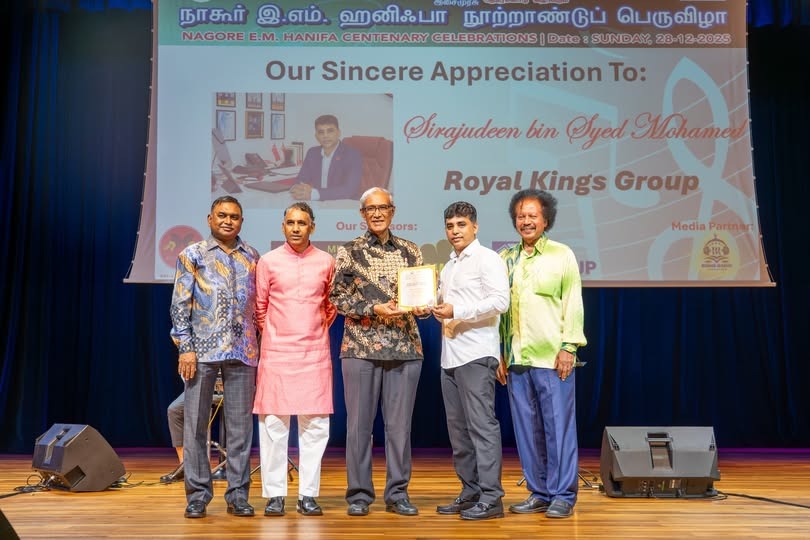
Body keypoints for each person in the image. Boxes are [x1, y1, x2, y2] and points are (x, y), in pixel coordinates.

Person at [330, 187, 429, 517]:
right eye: (370, 209)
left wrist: (423, 307)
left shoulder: (411, 251)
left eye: (382, 208)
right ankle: (359, 495)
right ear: (362, 214)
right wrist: (373, 308)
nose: (376, 213)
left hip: (405, 348)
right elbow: (337, 298)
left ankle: (398, 493)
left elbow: (420, 300)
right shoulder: (349, 252)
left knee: (399, 428)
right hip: (360, 348)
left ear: (392, 211)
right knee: (359, 427)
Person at [170, 195, 260, 519]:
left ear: (241, 221)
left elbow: (257, 306)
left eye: (234, 216)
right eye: (221, 215)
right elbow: (179, 305)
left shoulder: (253, 256)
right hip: (202, 353)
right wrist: (185, 348)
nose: (227, 221)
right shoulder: (192, 254)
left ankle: (238, 495)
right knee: (195, 427)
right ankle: (197, 496)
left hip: (243, 352)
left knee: (240, 429)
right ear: (210, 219)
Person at [498, 189, 587, 519]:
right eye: (520, 216)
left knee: (558, 429)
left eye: (532, 216)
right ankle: (539, 492)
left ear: (545, 219)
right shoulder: (506, 258)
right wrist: (500, 353)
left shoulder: (562, 255)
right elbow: (500, 313)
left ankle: (563, 494)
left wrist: (569, 347)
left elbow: (573, 303)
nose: (526, 221)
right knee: (526, 430)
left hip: (552, 359)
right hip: (517, 359)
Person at [253, 202, 337, 517]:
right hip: (277, 354)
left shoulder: (326, 261)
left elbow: (330, 306)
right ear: (283, 226)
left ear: (312, 226)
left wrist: (311, 331)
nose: (296, 228)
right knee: (274, 426)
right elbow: (260, 308)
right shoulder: (268, 261)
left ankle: (308, 495)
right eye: (291, 222)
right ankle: (275, 495)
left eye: (302, 223)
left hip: (314, 353)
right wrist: (279, 336)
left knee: (315, 427)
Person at [431, 201, 510, 520]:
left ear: (475, 227)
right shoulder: (449, 265)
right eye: (450, 226)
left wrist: (458, 311)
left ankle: (492, 497)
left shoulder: (488, 259)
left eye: (461, 225)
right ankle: (471, 491)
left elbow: (500, 301)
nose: (455, 231)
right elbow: (443, 304)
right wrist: (428, 306)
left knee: (481, 427)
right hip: (450, 355)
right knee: (459, 432)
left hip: (476, 354)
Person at [290, 114, 363, 201]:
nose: (325, 136)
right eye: (321, 132)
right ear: (316, 136)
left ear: (338, 133)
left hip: (343, 203)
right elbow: (301, 179)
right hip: (318, 203)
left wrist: (315, 194)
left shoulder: (352, 154)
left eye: (330, 131)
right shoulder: (312, 153)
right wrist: (297, 188)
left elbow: (349, 190)